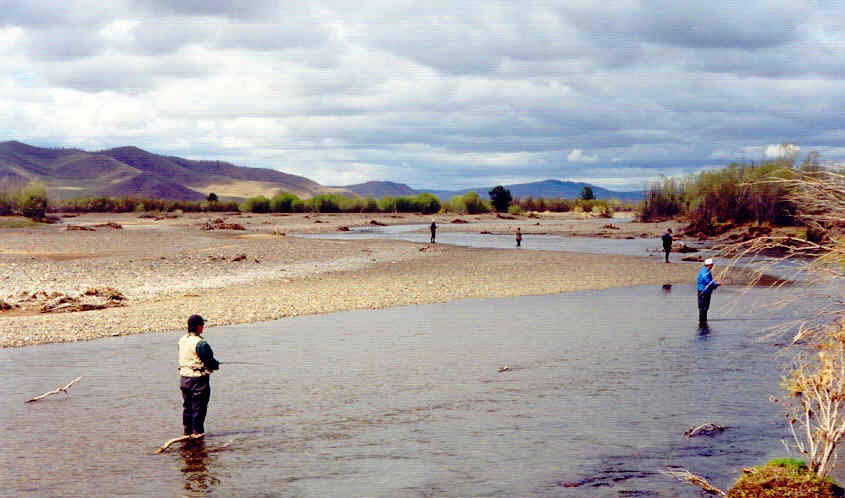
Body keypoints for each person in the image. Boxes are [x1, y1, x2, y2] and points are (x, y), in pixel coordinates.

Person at [179, 314, 220, 437]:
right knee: (199, 408)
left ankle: (187, 433)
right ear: (198, 327)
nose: (203, 327)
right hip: (198, 380)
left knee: (187, 407)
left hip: (184, 378)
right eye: (202, 325)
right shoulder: (201, 343)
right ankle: (198, 435)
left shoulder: (182, 340)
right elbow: (210, 361)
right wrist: (215, 365)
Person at [696, 259, 719, 328]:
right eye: (712, 265)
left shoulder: (705, 271)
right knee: (703, 307)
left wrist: (714, 285)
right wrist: (715, 284)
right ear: (709, 265)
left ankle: (703, 321)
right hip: (703, 291)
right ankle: (702, 322)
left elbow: (708, 282)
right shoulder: (704, 271)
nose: (712, 266)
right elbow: (707, 281)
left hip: (705, 291)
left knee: (705, 307)